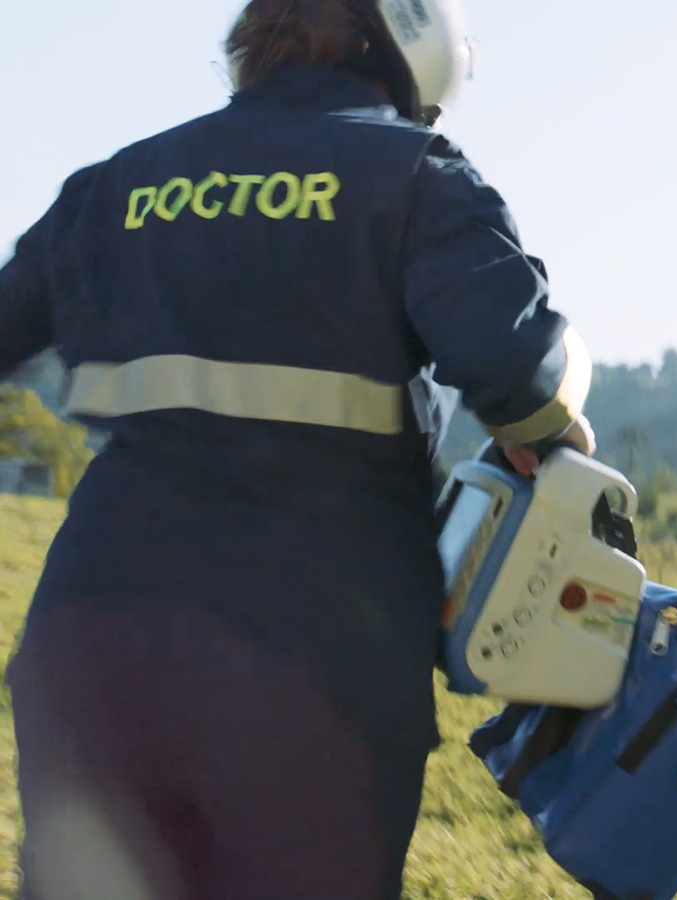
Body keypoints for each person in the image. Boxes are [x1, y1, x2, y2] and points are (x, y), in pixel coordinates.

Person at [0, 1, 596, 898]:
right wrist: (555, 425)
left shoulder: (115, 185)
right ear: (419, 44)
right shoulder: (415, 176)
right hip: (311, 680)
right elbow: (525, 376)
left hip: (92, 656)